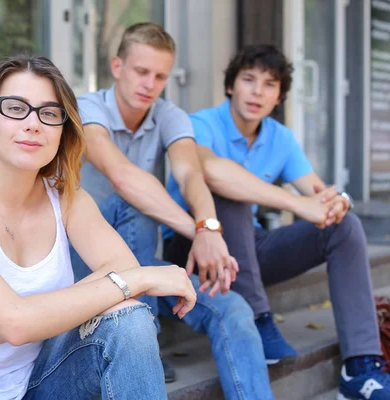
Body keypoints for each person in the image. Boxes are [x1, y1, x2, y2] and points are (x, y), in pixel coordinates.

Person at [0, 55, 197, 400]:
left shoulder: (66, 198)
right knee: (122, 297)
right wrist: (142, 278)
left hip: (39, 383)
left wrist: (1, 327)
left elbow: (121, 268)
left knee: (128, 320)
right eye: (15, 108)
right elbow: (16, 322)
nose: (33, 124)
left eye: (49, 113)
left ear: (61, 132)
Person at [164, 44, 390, 400]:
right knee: (229, 193)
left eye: (269, 84)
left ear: (279, 96)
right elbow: (212, 172)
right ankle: (259, 319)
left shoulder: (280, 138)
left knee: (345, 227)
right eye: (248, 80)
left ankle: (361, 368)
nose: (257, 91)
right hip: (191, 245)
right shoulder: (200, 124)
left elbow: (318, 194)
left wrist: (337, 202)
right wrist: (299, 204)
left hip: (244, 253)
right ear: (230, 86)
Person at [72, 22, 275, 399]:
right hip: (84, 272)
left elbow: (190, 174)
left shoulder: (168, 115)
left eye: (160, 76)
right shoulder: (88, 108)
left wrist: (210, 229)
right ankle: (142, 338)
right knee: (134, 202)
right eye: (141, 71)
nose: (150, 83)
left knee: (235, 311)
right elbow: (122, 177)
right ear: (117, 67)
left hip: (145, 271)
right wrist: (196, 231)